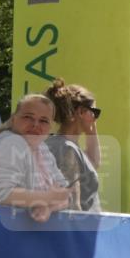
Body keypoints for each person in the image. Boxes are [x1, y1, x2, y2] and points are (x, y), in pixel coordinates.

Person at [0, 94, 71, 222]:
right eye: (28, 117)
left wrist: (48, 208)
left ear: (50, 127)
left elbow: (65, 194)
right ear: (14, 119)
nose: (35, 124)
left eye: (43, 120)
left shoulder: (42, 148)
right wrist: (46, 198)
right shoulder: (11, 142)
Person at [44, 78, 102, 212]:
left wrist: (91, 130)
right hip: (78, 229)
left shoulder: (66, 146)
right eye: (95, 112)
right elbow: (71, 203)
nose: (95, 118)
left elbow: (93, 163)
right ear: (81, 112)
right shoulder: (66, 149)